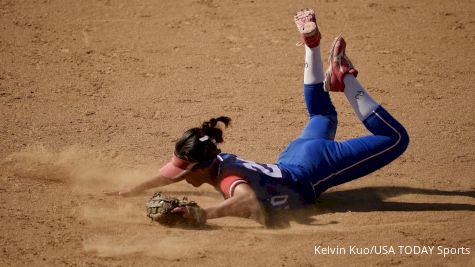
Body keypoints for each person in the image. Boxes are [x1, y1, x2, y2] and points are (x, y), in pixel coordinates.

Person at [105, 9, 409, 226]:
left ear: (201, 166)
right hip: (296, 157)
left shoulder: (229, 178)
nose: (181, 177)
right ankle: (312, 47)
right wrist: (135, 188)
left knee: (395, 139)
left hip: (315, 168)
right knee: (321, 112)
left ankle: (347, 82)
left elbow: (246, 200)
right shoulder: (217, 160)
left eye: (184, 173)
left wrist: (203, 213)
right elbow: (173, 173)